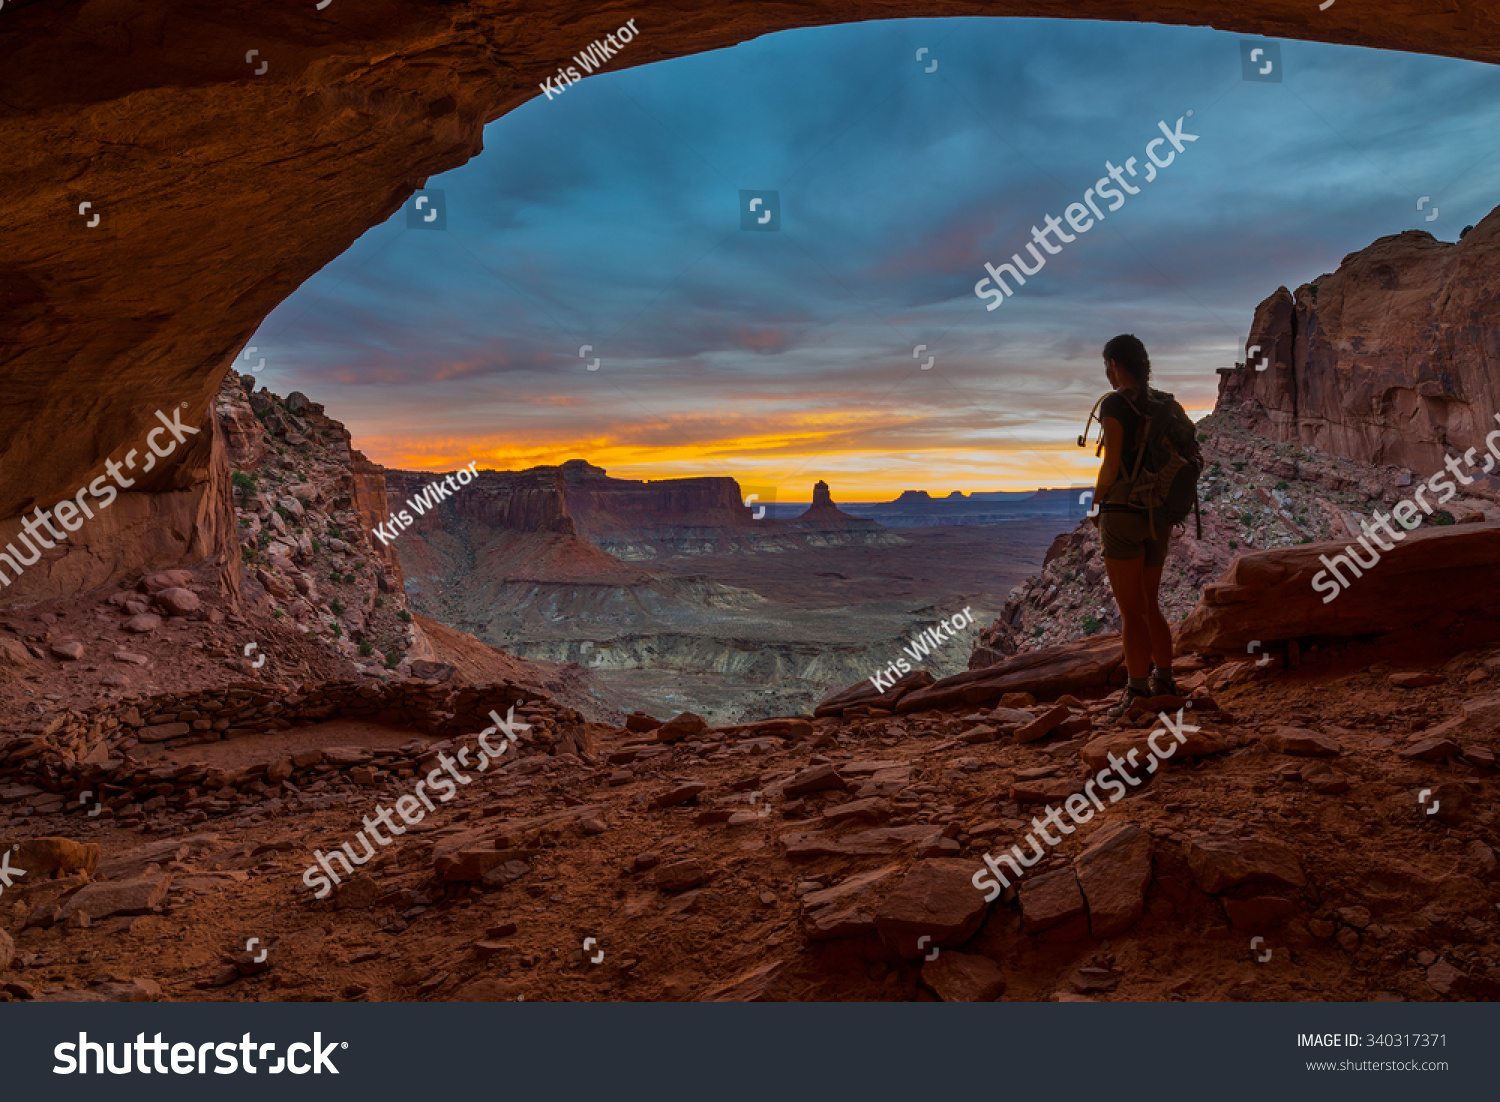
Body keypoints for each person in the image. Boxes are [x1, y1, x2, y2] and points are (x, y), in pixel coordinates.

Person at [1091, 334, 1176, 719]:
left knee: (1131, 611)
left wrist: (1095, 503)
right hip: (1158, 514)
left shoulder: (1114, 403)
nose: (1107, 374)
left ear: (1114, 364)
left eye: (1107, 366)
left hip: (1123, 513)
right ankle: (1165, 680)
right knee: (1151, 604)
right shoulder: (1164, 404)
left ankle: (1137, 691)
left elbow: (1111, 464)